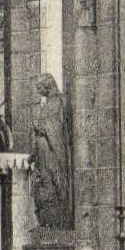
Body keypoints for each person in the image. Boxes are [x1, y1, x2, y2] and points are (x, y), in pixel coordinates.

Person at [30, 72, 71, 230]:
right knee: (43, 181)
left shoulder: (56, 102)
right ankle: (45, 220)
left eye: (40, 88)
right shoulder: (48, 103)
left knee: (53, 179)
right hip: (42, 150)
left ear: (48, 86)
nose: (39, 91)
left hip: (50, 149)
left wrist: (40, 125)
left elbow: (55, 126)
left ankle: (55, 221)